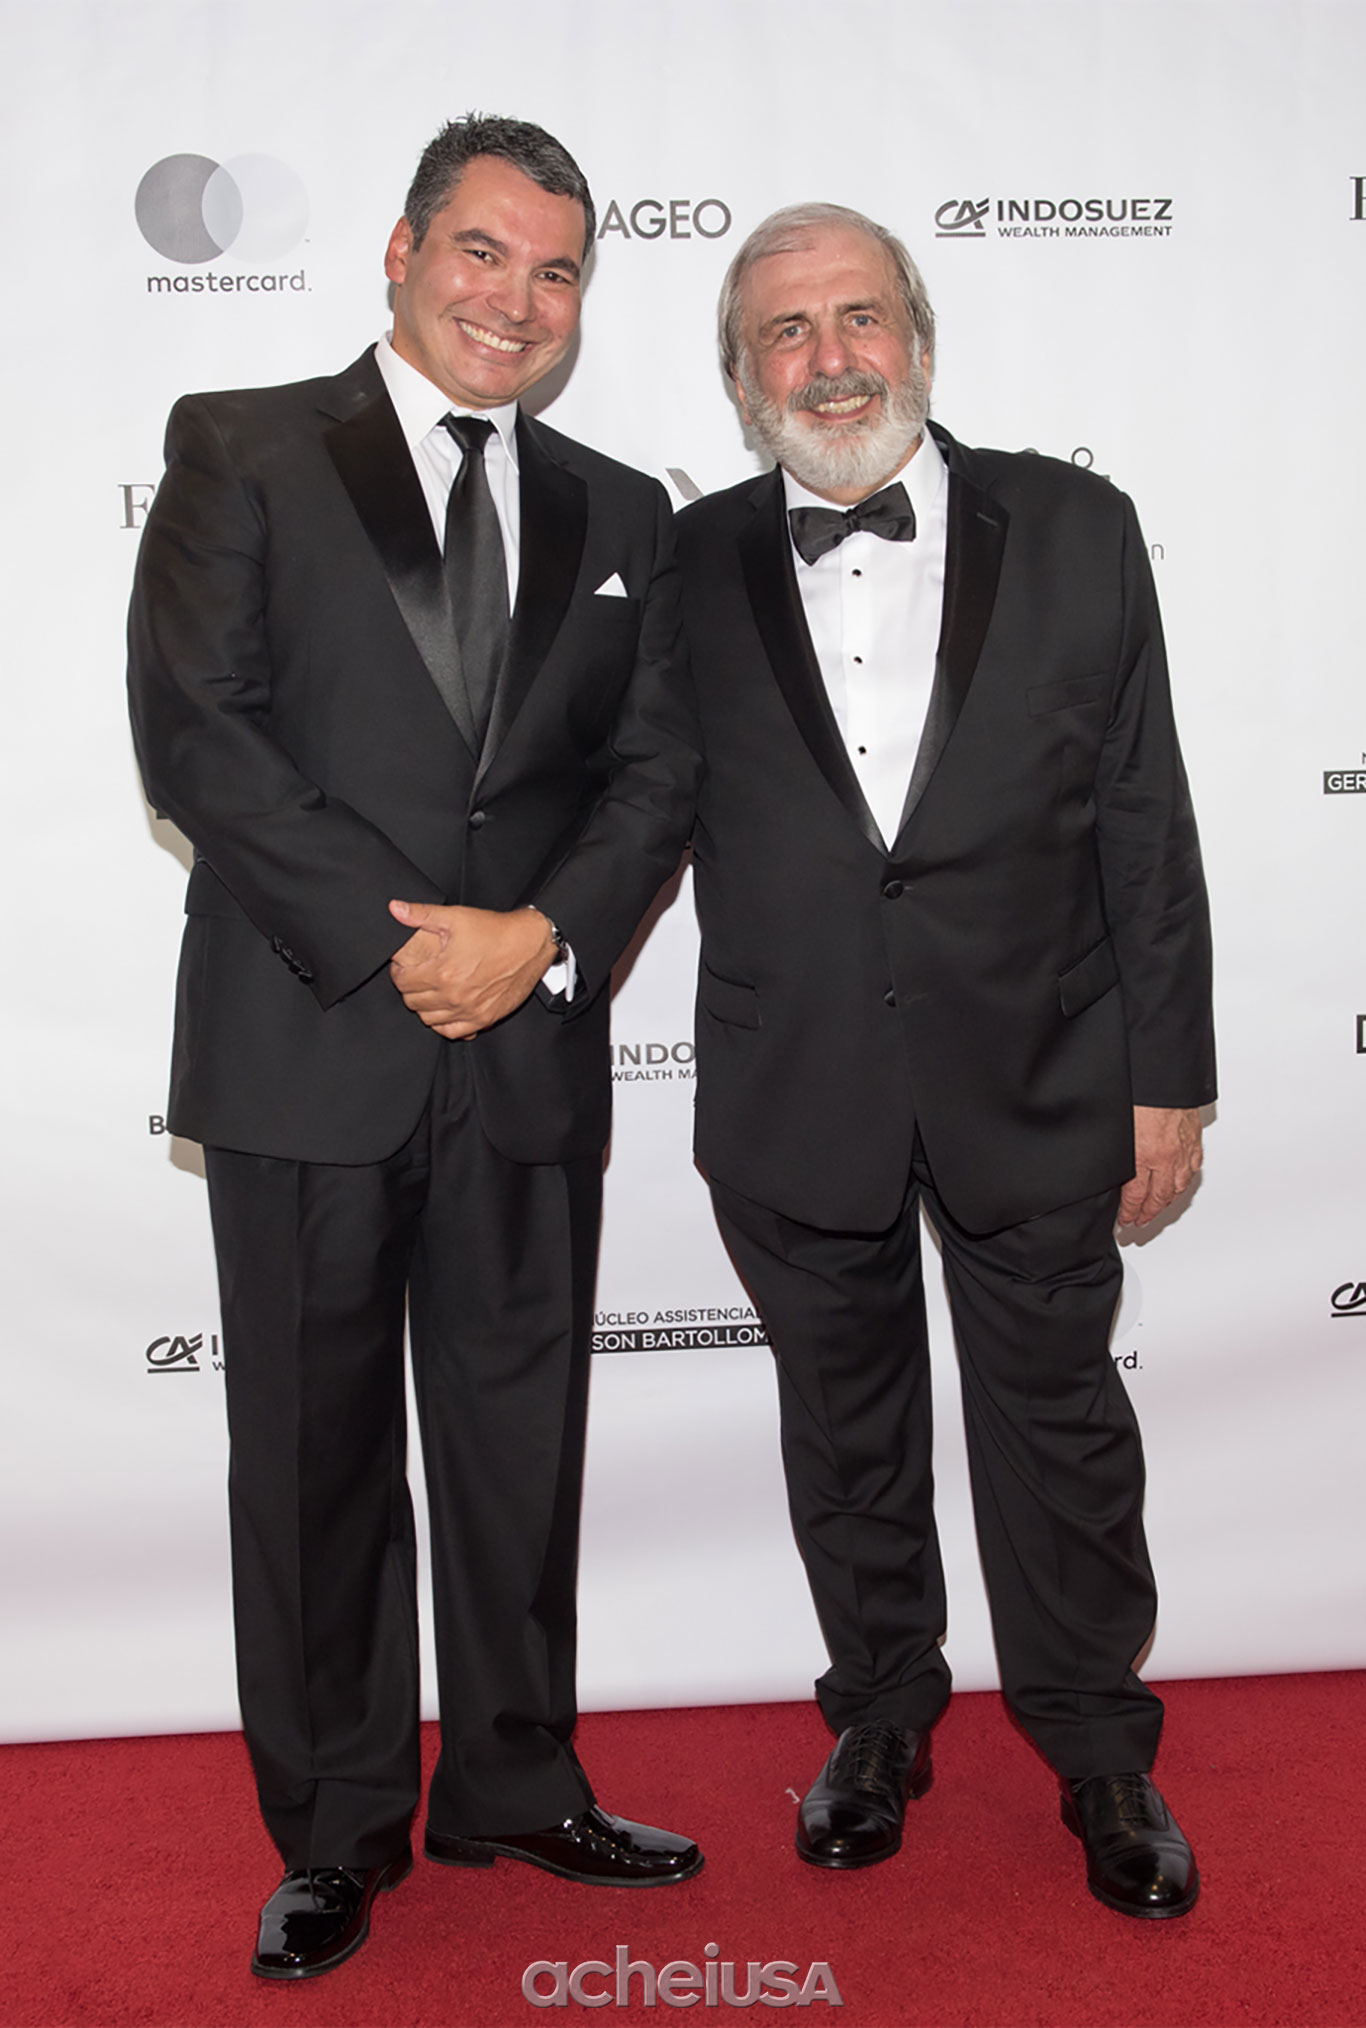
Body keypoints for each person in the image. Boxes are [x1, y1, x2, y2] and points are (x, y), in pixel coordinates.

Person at [127, 114, 701, 1981]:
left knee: (518, 1442)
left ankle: (516, 1781)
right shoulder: (245, 447)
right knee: (312, 1456)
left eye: (555, 272)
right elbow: (198, 736)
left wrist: (534, 940)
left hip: (522, 1044)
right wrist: (407, 944)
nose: (514, 299)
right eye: (481, 251)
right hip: (310, 1033)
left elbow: (654, 775)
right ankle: (335, 1828)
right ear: (399, 250)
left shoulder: (622, 512)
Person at [676, 202, 1214, 1920]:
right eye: (784, 331)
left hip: (1041, 1067)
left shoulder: (1073, 525)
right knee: (844, 1433)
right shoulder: (682, 564)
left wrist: (1168, 1075)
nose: (828, 359)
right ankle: (879, 1719)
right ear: (741, 375)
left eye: (857, 317)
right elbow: (621, 808)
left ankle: (1098, 1748)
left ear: (915, 335)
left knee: (1060, 1429)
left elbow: (1142, 813)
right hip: (794, 1073)